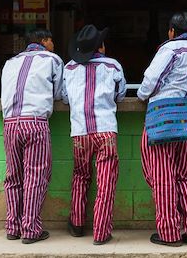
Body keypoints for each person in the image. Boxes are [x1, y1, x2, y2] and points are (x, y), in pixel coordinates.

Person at [137, 12, 187, 247]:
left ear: (172, 30)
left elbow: (151, 79)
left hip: (162, 116)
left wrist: (142, 95)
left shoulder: (171, 49)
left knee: (161, 176)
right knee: (182, 176)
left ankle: (169, 232)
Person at [62, 25, 126, 245]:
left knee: (81, 176)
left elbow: (65, 98)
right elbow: (121, 95)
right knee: (106, 181)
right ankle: (101, 232)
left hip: (79, 132)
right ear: (101, 46)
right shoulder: (113, 65)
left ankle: (77, 224)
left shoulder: (69, 68)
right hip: (105, 130)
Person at [0, 29, 63, 244]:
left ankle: (12, 227)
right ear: (44, 41)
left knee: (13, 177)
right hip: (35, 123)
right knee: (35, 177)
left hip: (10, 124)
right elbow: (58, 94)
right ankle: (30, 230)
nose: (53, 44)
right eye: (51, 39)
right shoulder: (52, 59)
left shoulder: (10, 62)